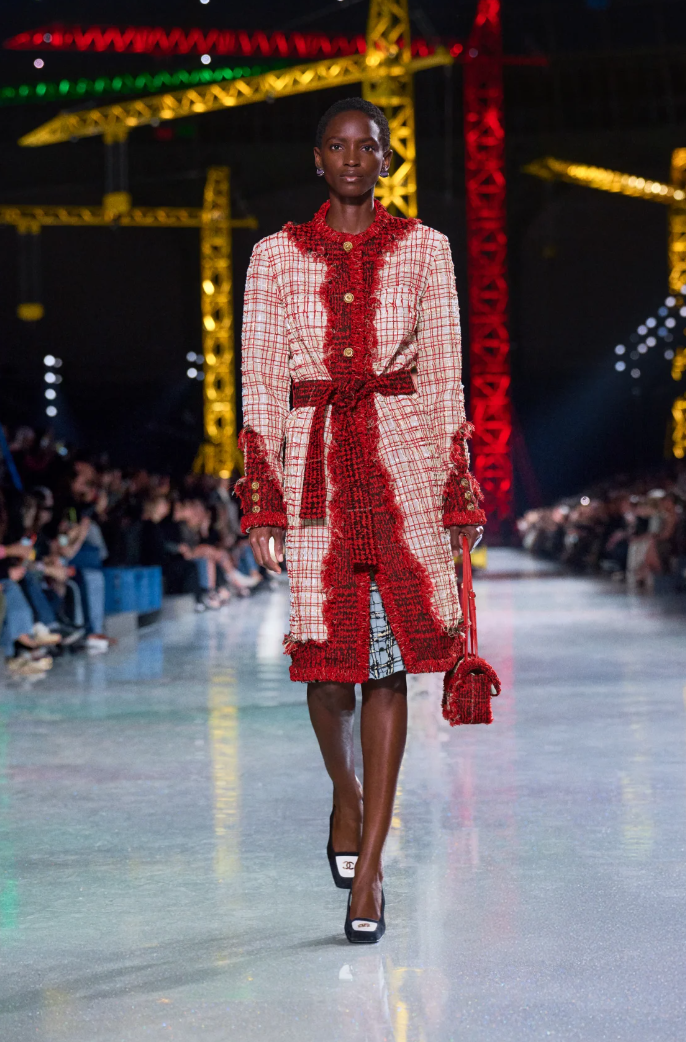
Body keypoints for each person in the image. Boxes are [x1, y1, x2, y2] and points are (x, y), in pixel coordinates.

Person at [237, 97, 485, 943]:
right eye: (337, 146)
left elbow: (445, 372)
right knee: (326, 669)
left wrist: (456, 485)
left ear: (386, 158)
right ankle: (346, 796)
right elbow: (261, 380)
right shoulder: (274, 257)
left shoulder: (426, 249)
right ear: (318, 159)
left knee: (386, 665)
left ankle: (371, 869)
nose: (351, 158)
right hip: (314, 470)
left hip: (403, 463)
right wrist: (262, 496)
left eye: (366, 146)